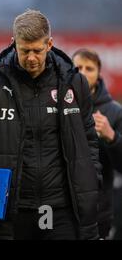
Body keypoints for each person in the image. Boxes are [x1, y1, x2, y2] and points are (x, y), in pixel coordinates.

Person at [0, 9, 101, 240]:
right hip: (7, 213)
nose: (31, 58)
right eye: (25, 51)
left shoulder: (74, 83)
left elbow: (89, 140)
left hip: (62, 210)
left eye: (37, 50)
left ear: (50, 44)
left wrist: (90, 180)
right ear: (13, 43)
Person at [72, 48, 122, 239]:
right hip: (59, 208)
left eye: (89, 68)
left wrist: (112, 136)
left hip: (99, 210)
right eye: (78, 68)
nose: (83, 72)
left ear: (99, 74)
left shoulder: (115, 112)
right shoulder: (56, 105)